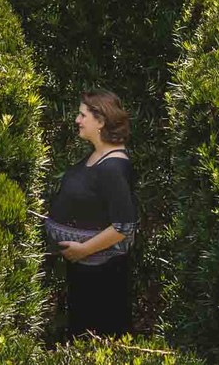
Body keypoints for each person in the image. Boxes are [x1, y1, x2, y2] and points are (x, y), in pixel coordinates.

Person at [46, 89, 137, 340]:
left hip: (102, 277)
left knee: (98, 339)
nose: (77, 120)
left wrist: (83, 251)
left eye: (82, 115)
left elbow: (124, 227)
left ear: (101, 121)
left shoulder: (114, 167)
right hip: (85, 273)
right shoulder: (98, 156)